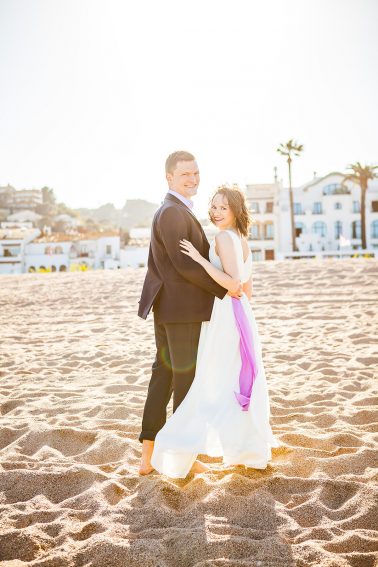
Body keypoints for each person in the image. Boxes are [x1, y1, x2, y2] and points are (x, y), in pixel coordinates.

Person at [150, 184, 279, 478]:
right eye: (214, 206)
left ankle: (183, 448)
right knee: (234, 377)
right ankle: (244, 448)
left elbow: (233, 285)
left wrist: (198, 260)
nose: (217, 212)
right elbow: (247, 290)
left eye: (224, 207)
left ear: (235, 211)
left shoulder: (223, 238)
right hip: (241, 313)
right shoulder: (241, 240)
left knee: (215, 379)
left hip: (227, 314)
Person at [137, 151, 243, 475]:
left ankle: (149, 458)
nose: (193, 179)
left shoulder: (174, 209)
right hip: (180, 311)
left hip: (170, 309)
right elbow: (184, 265)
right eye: (186, 175)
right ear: (169, 177)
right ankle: (182, 459)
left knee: (164, 379)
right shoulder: (171, 212)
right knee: (182, 382)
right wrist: (226, 290)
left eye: (196, 173)